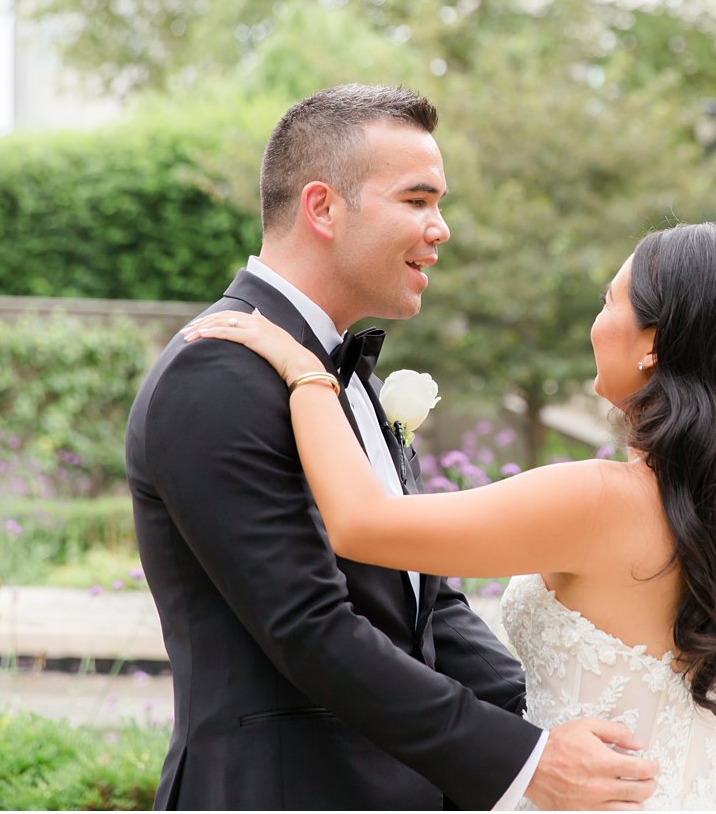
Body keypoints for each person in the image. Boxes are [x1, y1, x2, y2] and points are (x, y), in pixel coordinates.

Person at [185, 220, 716, 811]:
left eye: (611, 301)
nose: (595, 321)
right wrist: (660, 749)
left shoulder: (598, 500)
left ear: (652, 346)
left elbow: (362, 526)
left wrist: (306, 373)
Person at [125, 84, 659, 811]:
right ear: (322, 207)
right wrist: (526, 759)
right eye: (417, 200)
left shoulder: (329, 371)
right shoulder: (217, 372)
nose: (440, 228)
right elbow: (309, 628)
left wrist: (559, 723)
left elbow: (425, 607)